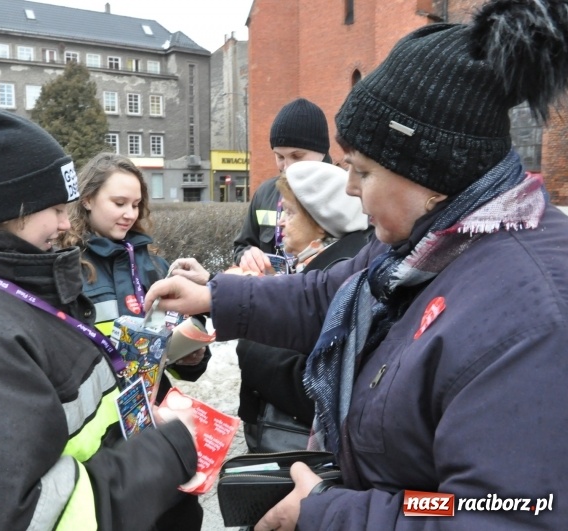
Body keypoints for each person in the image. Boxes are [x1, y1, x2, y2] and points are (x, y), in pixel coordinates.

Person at [147, 1, 568, 528]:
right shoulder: (423, 246)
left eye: (363, 172)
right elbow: (330, 294)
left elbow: (499, 513)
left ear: (429, 174)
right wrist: (215, 297)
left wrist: (328, 512)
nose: (348, 188)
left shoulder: (529, 315)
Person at [0, 109, 198, 531]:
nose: (63, 223)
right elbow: (20, 516)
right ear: (9, 211)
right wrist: (164, 453)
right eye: (54, 208)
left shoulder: (24, 294)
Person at [58, 152, 210, 531]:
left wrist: (190, 354)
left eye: (136, 204)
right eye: (118, 203)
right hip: (100, 432)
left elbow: (167, 352)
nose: (129, 213)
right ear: (88, 199)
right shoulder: (67, 265)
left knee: (178, 519)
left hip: (156, 418)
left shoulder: (152, 264)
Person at [236, 161, 371, 453]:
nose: (280, 221)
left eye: (290, 212)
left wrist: (250, 343)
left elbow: (315, 387)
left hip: (299, 452)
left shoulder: (337, 279)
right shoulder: (317, 266)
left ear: (321, 223)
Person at [233, 98, 331, 274]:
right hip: (269, 294)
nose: (287, 167)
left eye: (297, 156)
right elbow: (242, 245)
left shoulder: (348, 194)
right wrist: (247, 254)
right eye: (279, 156)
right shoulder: (265, 193)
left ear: (322, 151)